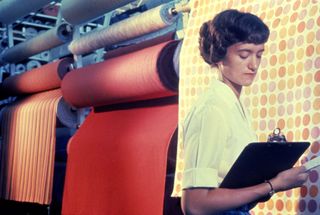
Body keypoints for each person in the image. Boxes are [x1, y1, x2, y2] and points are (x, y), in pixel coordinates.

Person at [181, 9, 309, 215]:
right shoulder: (212, 109)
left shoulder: (233, 104)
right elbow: (194, 205)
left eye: (259, 55)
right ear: (219, 56)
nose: (254, 65)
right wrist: (272, 185)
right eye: (244, 55)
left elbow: (232, 186)